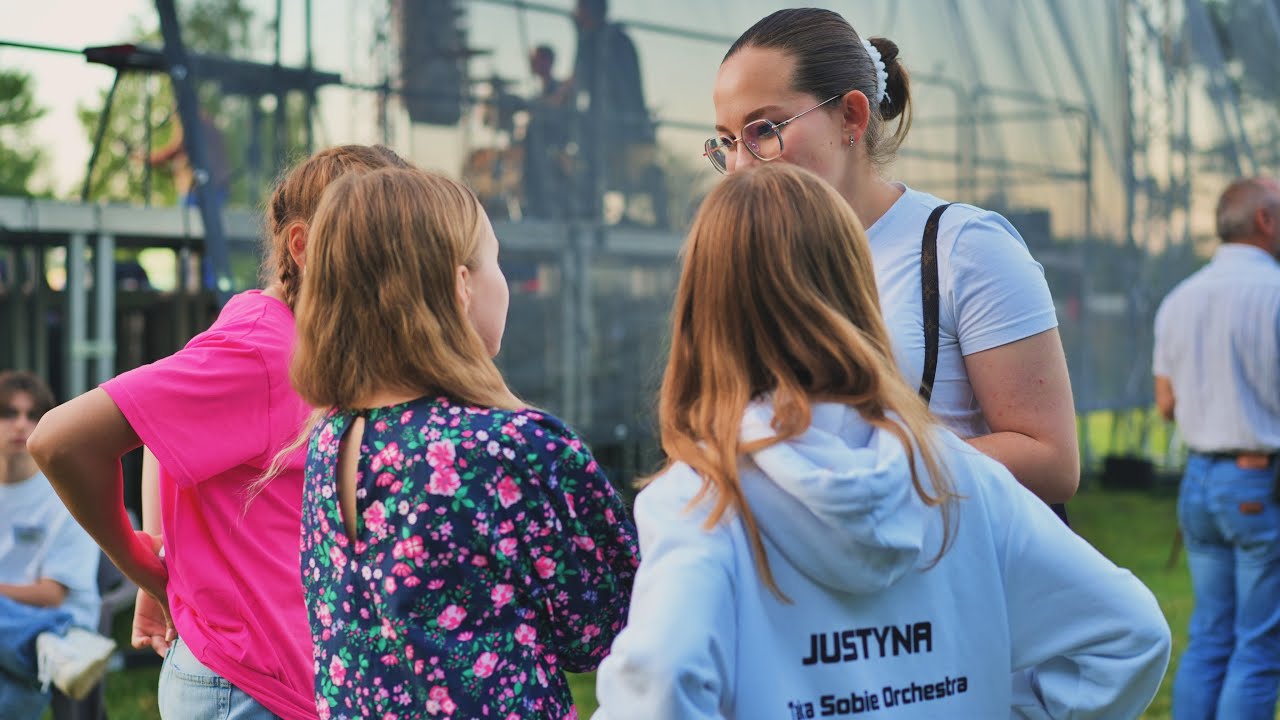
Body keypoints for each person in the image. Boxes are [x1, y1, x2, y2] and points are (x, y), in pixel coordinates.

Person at [593, 163, 1171, 719]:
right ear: (858, 286)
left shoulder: (702, 499)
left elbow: (660, 682)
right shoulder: (958, 476)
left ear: (701, 309)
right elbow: (1129, 635)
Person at [28, 144, 410, 720]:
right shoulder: (263, 350)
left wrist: (162, 555)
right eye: (383, 239)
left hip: (270, 679)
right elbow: (59, 439)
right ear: (303, 246)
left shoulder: (288, 336)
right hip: (249, 687)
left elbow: (167, 431)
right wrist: (148, 570)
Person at [291, 166, 640, 719]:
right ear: (461, 285)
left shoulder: (329, 438)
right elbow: (605, 629)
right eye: (496, 260)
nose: (503, 282)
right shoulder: (507, 449)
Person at [705, 8, 1078, 513]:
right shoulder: (757, 261)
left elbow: (1052, 463)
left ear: (851, 117)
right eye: (728, 142)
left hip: (939, 556)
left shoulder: (963, 247)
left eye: (764, 129)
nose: (741, 165)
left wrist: (870, 474)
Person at [1154, 176, 1280, 719]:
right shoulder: (1274, 292)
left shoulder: (1179, 298)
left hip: (1199, 483)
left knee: (1209, 637)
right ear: (1265, 220)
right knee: (1259, 648)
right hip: (1258, 483)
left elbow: (1166, 404)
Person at [0, 371, 116, 717]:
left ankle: (48, 645)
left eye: (33, 414)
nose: (21, 424)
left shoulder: (67, 492)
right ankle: (43, 647)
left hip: (62, 622)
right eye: (8, 413)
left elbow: (52, 594)